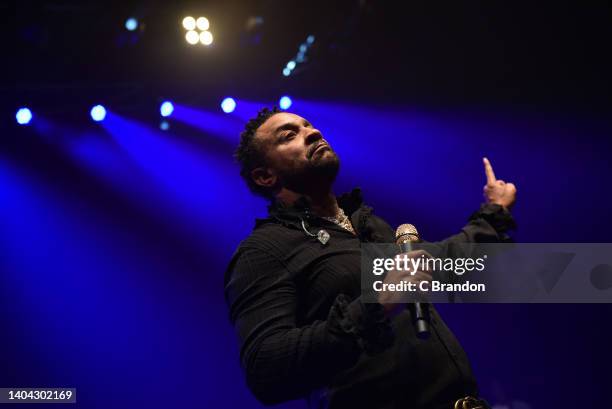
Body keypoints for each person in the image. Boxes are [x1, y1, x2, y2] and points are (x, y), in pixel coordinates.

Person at [224, 107, 517, 409]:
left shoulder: (367, 225)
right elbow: (266, 370)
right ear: (265, 176)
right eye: (290, 135)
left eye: (309, 125)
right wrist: (374, 306)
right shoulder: (264, 249)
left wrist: (495, 212)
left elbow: (447, 264)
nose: (313, 133)